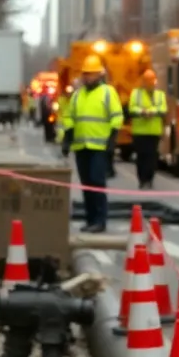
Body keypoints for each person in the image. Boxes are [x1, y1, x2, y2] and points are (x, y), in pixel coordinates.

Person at [60, 55, 123, 233]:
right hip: (81, 147)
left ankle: (100, 221)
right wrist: (67, 139)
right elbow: (69, 117)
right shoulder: (77, 95)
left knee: (96, 182)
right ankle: (90, 220)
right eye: (85, 74)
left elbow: (117, 117)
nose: (87, 77)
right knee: (86, 184)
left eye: (91, 74)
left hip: (99, 147)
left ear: (99, 75)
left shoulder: (108, 92)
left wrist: (112, 141)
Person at [128, 69, 167, 190]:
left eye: (151, 80)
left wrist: (151, 112)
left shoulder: (160, 94)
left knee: (152, 157)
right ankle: (142, 180)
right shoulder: (136, 93)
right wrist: (142, 112)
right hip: (139, 131)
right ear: (143, 81)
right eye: (147, 80)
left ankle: (149, 179)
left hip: (154, 131)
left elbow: (163, 109)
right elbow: (132, 108)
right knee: (141, 156)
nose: (150, 83)